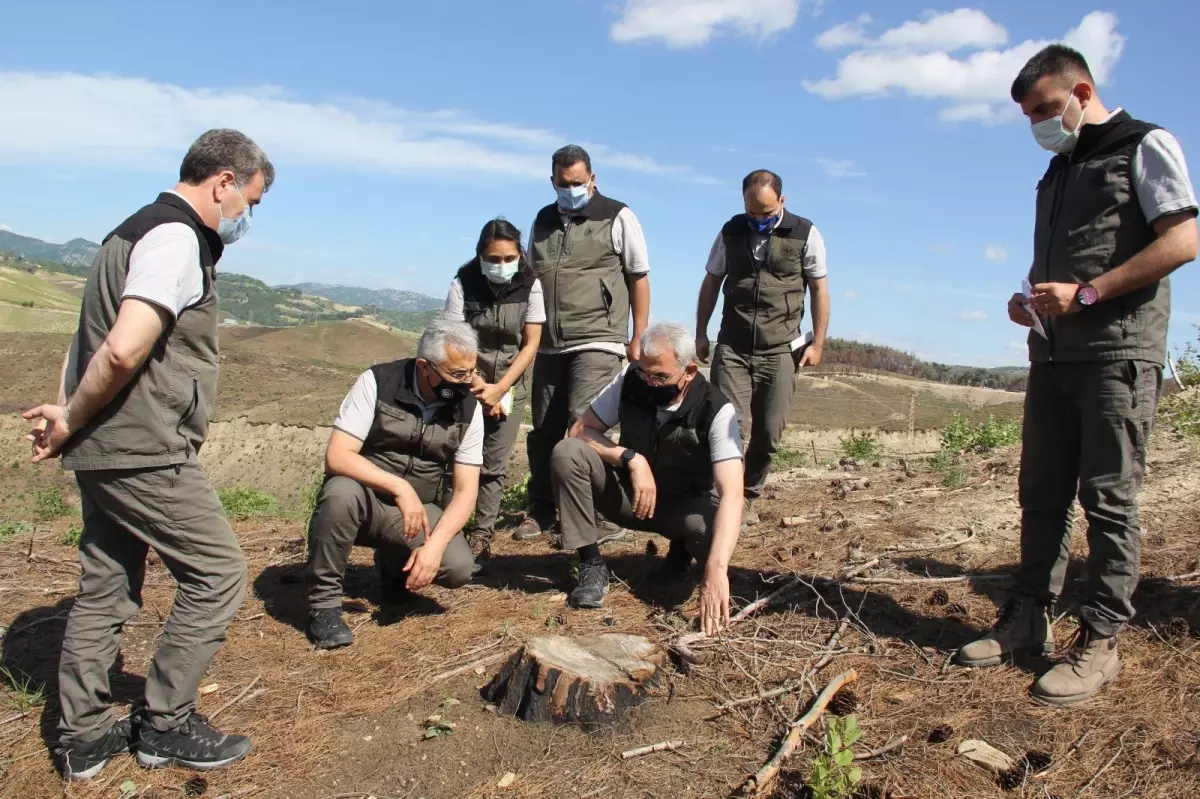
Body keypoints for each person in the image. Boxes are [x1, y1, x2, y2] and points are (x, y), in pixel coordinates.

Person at [22, 130, 273, 779]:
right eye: (250, 199)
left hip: (104, 442)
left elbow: (87, 340)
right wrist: (73, 414)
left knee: (106, 584)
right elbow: (122, 350)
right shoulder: (175, 238)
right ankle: (166, 722)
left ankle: (81, 738)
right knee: (219, 572)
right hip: (142, 444)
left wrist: (65, 418)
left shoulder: (126, 233)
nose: (245, 215)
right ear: (223, 182)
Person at [955, 45, 1197, 705]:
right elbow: (1065, 261)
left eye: (1042, 109)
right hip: (1053, 356)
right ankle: (1026, 618)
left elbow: (1183, 239)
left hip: (1117, 355)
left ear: (1080, 92)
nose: (1037, 124)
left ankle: (1100, 640)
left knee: (1109, 499)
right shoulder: (1059, 170)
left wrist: (1088, 295)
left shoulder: (1143, 145)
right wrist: (1030, 299)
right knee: (1041, 492)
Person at [550, 322, 744, 630]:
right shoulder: (630, 381)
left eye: (661, 376)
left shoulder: (716, 410)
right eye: (645, 373)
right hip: (630, 497)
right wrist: (630, 458)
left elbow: (733, 492)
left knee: (712, 528)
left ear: (690, 370)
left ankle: (682, 556)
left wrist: (717, 569)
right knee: (567, 452)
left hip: (681, 509)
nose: (651, 383)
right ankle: (590, 563)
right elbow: (580, 430)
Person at [305, 318, 483, 649]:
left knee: (458, 567)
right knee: (340, 493)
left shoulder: (469, 408)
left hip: (417, 512)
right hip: (366, 499)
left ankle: (394, 575)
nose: (467, 382)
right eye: (457, 374)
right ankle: (323, 605)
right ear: (424, 367)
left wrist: (434, 546)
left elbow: (465, 491)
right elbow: (339, 456)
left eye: (471, 372)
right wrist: (400, 488)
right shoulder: (377, 382)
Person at [513, 144, 652, 543]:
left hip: (599, 337)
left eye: (577, 182)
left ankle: (600, 515)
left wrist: (637, 335)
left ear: (592, 178)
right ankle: (541, 508)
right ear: (552, 180)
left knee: (582, 424)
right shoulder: (542, 219)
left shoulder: (618, 215)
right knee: (544, 430)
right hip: (549, 342)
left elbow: (638, 276)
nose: (570, 189)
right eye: (563, 183)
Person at [695, 170, 830, 528]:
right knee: (728, 425)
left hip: (780, 350)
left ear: (782, 202)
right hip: (734, 346)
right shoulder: (731, 231)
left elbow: (819, 289)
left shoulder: (805, 233)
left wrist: (817, 341)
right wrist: (700, 333)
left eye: (767, 212)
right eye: (752, 212)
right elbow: (711, 280)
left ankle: (749, 493)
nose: (759, 219)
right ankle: (723, 497)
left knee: (769, 431)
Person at [441, 219, 544, 560]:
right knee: (453, 456)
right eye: (494, 259)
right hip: (464, 381)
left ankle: (482, 536)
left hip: (510, 383)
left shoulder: (531, 285)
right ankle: (445, 528)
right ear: (480, 255)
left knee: (494, 464)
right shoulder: (463, 283)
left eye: (509, 258)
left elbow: (530, 345)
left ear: (520, 254)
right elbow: (454, 340)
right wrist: (479, 386)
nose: (502, 265)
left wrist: (500, 389)